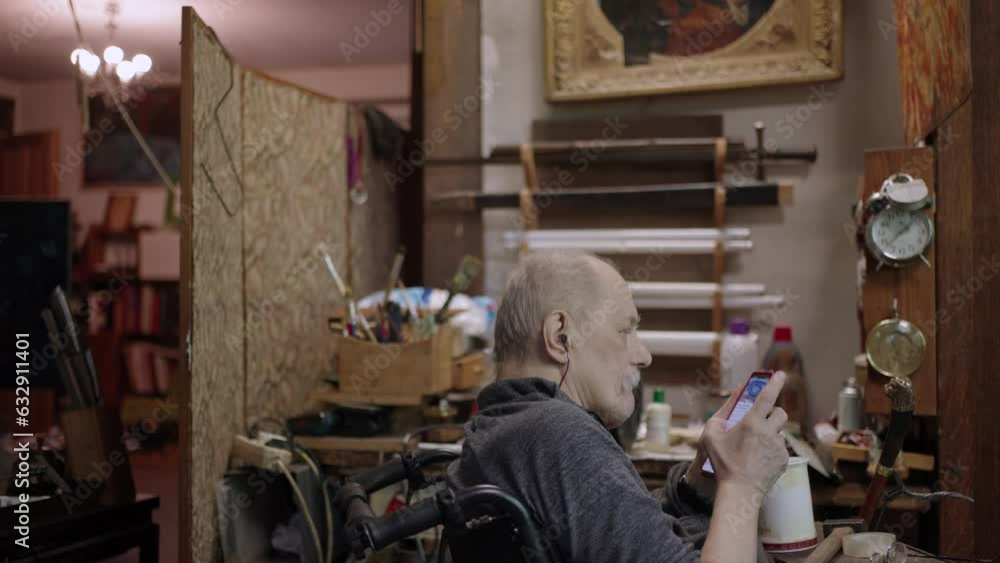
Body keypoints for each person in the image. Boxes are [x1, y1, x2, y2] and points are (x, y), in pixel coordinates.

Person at [447, 251, 790, 563]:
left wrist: (695, 489)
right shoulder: (559, 433)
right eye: (626, 330)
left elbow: (621, 539)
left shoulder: (503, 429)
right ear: (559, 336)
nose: (644, 356)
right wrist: (743, 482)